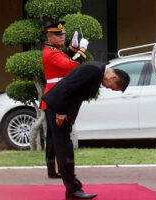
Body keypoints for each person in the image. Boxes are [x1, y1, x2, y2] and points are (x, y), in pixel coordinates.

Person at [42, 61, 130, 199]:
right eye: (112, 88)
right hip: (59, 109)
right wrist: (61, 111)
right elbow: (66, 88)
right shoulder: (93, 70)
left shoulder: (96, 70)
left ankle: (72, 189)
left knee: (62, 146)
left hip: (61, 109)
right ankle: (73, 190)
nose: (108, 88)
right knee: (64, 148)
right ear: (114, 78)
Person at [41, 21, 89, 179]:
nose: (61, 37)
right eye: (57, 34)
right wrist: (82, 50)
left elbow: (64, 62)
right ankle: (56, 169)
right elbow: (70, 66)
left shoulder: (55, 50)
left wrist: (73, 48)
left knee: (54, 135)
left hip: (55, 95)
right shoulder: (52, 52)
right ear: (49, 36)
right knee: (58, 136)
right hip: (56, 97)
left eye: (62, 34)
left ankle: (54, 168)